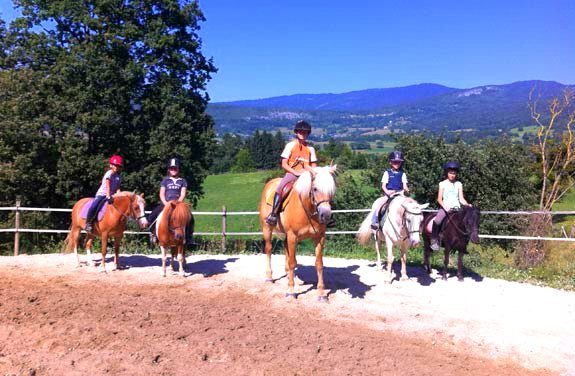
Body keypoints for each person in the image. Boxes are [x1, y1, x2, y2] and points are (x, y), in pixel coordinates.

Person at [266, 120, 318, 226]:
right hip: (292, 174)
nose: (303, 134)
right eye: (300, 132)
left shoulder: (310, 149)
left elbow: (313, 166)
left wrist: (313, 174)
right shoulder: (290, 145)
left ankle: (327, 216)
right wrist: (295, 172)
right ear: (296, 132)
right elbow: (284, 164)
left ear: (308, 133)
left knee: (322, 190)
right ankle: (273, 214)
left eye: (305, 132)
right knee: (282, 188)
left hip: (307, 175)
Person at [147, 158, 193, 244]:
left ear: (178, 169)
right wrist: (165, 203)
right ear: (169, 169)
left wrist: (178, 203)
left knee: (190, 217)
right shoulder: (165, 180)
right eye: (172, 168)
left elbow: (183, 194)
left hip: (178, 204)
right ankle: (153, 233)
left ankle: (189, 236)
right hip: (166, 203)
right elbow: (161, 194)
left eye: (175, 168)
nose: (173, 170)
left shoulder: (182, 181)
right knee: (153, 215)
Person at [430, 161, 472, 251]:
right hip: (446, 208)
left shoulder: (459, 184)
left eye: (454, 173)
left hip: (457, 208)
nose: (452, 175)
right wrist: (445, 207)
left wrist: (467, 205)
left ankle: (464, 243)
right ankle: (434, 240)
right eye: (450, 173)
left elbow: (461, 199)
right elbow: (439, 199)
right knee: (437, 220)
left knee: (467, 222)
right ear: (447, 173)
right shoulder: (442, 184)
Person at [370, 150, 410, 230]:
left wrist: (406, 190)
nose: (397, 164)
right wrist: (387, 192)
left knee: (411, 207)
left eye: (398, 162)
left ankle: (410, 225)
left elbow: (405, 185)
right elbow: (383, 186)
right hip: (389, 194)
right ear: (391, 162)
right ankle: (375, 222)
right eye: (395, 162)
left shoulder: (403, 174)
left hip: (400, 194)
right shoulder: (387, 173)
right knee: (379, 206)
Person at [85, 155, 123, 233]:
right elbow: (107, 185)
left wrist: (120, 195)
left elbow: (118, 188)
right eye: (115, 165)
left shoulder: (118, 176)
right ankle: (88, 223)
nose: (117, 167)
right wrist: (108, 195)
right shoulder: (109, 173)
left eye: (118, 166)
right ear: (111, 165)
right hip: (102, 194)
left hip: (112, 195)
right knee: (94, 206)